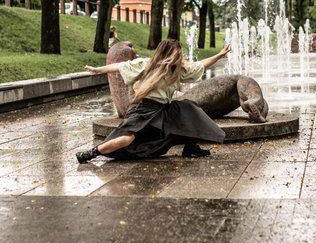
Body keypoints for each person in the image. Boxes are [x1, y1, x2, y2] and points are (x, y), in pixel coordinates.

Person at [76, 39, 231, 163]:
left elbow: (200, 65)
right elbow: (119, 66)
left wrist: (220, 54)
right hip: (142, 108)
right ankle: (91, 154)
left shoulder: (177, 69)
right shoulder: (147, 64)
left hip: (162, 109)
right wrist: (97, 70)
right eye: (176, 55)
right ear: (167, 54)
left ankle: (190, 147)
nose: (179, 58)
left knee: (188, 109)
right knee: (127, 138)